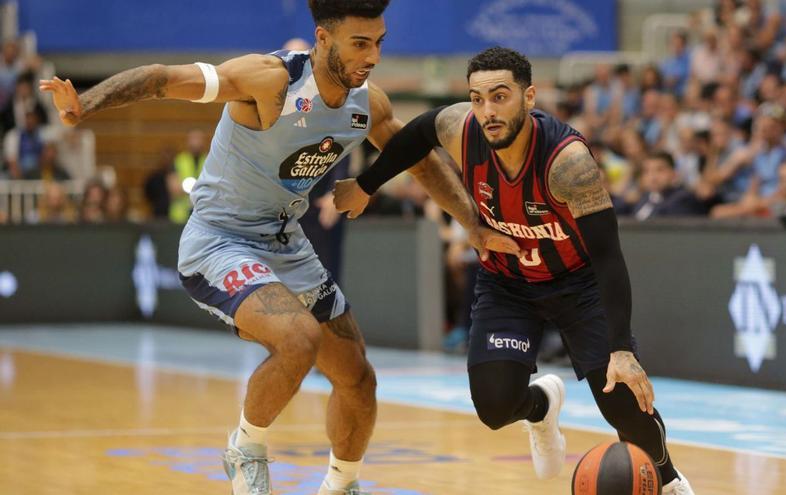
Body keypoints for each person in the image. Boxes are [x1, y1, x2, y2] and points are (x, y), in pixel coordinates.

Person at [40, 2, 519, 494]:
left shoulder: (367, 103)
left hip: (285, 243)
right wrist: (87, 103)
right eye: (360, 43)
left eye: (379, 42)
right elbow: (164, 77)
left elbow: (418, 161)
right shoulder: (269, 80)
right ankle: (245, 447)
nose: (372, 56)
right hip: (218, 240)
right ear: (323, 38)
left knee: (358, 379)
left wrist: (474, 227)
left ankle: (341, 484)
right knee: (298, 340)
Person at [334, 47, 695, 494]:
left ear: (529, 97)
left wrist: (621, 348)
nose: (487, 111)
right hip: (508, 282)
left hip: (578, 283)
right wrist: (367, 185)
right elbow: (417, 133)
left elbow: (607, 256)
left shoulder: (569, 163)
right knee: (493, 405)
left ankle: (670, 479)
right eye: (477, 98)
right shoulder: (461, 128)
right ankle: (542, 406)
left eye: (500, 96)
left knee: (621, 402)